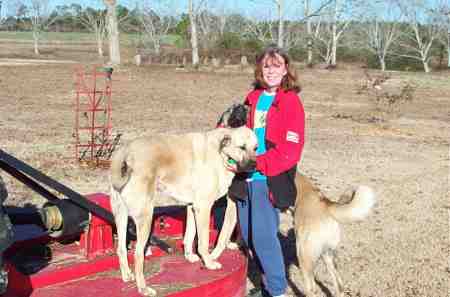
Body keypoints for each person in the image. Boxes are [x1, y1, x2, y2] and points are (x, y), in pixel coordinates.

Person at [231, 45, 305, 297]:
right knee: (249, 236)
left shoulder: (291, 101)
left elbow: (290, 151)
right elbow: (239, 131)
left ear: (286, 70)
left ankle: (276, 290)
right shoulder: (253, 97)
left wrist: (257, 163)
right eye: (266, 66)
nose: (271, 71)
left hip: (266, 178)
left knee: (263, 237)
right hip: (244, 176)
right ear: (260, 70)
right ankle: (266, 286)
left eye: (277, 66)